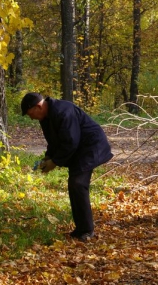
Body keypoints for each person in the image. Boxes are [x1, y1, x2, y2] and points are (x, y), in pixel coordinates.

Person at [21, 92, 113, 242]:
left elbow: (70, 141)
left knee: (78, 184)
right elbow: (54, 140)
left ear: (38, 106)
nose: (31, 118)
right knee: (74, 185)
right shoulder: (45, 117)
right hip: (79, 149)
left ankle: (87, 231)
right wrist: (48, 157)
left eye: (31, 114)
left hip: (91, 147)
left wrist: (55, 162)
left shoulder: (63, 111)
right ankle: (81, 229)